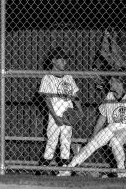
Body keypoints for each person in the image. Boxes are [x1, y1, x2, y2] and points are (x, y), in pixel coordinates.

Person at [57, 69, 126, 177]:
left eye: (112, 80)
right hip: (112, 127)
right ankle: (69, 169)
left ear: (120, 83)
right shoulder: (109, 96)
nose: (109, 82)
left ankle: (121, 172)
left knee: (115, 141)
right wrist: (93, 135)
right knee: (91, 144)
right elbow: (102, 118)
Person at [36, 47, 83, 175]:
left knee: (66, 140)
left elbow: (75, 95)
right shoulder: (48, 78)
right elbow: (47, 99)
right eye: (61, 60)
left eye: (65, 60)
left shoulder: (68, 77)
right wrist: (55, 116)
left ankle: (64, 166)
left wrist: (80, 110)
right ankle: (44, 165)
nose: (65, 63)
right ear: (53, 61)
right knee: (52, 140)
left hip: (68, 113)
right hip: (55, 113)